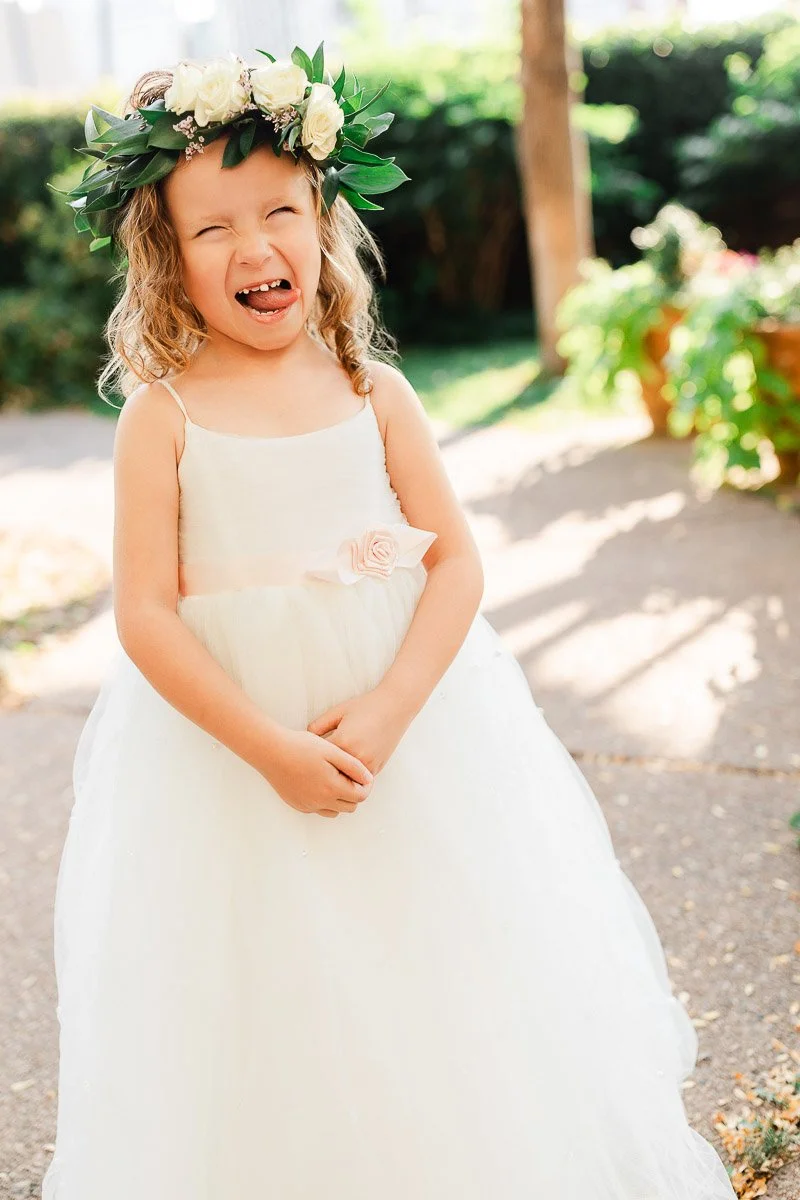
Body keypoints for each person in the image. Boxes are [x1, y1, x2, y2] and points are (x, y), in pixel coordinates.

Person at [42, 45, 737, 1200]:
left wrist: (386, 708)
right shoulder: (161, 420)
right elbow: (147, 616)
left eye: (281, 213)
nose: (256, 248)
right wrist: (269, 749)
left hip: (403, 734)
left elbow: (455, 564)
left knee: (435, 964)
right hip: (231, 753)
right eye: (212, 229)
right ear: (166, 256)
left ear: (323, 220)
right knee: (262, 987)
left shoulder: (373, 391)